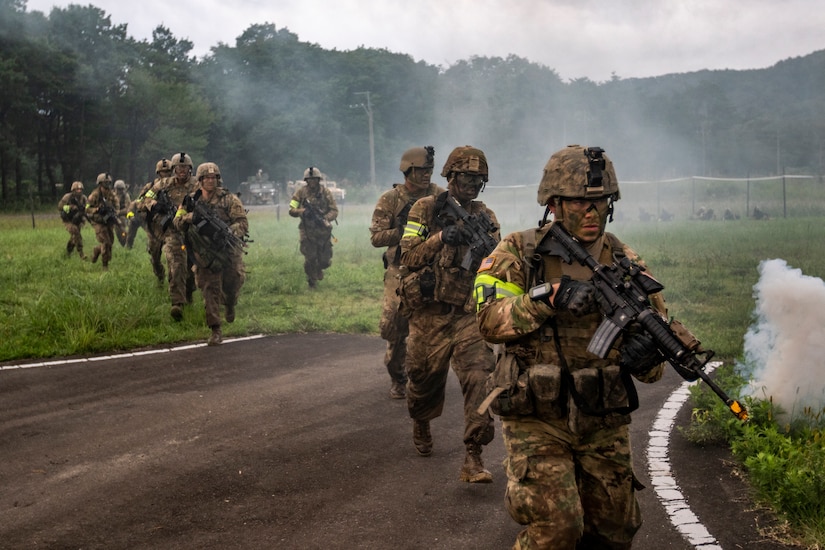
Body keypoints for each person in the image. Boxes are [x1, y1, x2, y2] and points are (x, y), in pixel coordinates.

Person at [473, 145, 667, 549]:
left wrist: (647, 357)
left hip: (603, 417)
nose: (591, 211)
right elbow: (488, 321)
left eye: (600, 201)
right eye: (580, 201)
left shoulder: (626, 262)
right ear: (555, 204)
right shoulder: (519, 252)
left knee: (616, 531)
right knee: (557, 531)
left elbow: (655, 354)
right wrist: (545, 299)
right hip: (536, 415)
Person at [399, 145, 499, 483]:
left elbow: (499, 264)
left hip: (469, 315)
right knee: (423, 379)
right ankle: (422, 420)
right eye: (467, 178)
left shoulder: (486, 217)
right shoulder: (425, 209)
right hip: (429, 314)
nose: (472, 185)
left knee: (480, 379)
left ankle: (473, 456)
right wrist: (442, 237)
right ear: (451, 177)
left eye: (478, 180)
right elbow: (408, 257)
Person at [369, 146, 446, 400]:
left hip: (430, 270)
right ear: (408, 170)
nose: (427, 175)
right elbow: (377, 237)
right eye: (422, 170)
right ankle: (397, 376)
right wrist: (402, 231)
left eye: (430, 170)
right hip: (399, 271)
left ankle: (422, 379)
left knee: (428, 328)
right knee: (393, 327)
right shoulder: (391, 199)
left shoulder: (439, 195)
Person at [174, 162, 248, 346]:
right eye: (206, 178)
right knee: (209, 290)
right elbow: (177, 222)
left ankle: (230, 303)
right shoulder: (189, 201)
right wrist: (190, 218)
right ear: (199, 180)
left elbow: (242, 222)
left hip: (228, 250)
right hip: (203, 253)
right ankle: (216, 330)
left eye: (213, 178)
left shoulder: (229, 199)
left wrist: (230, 232)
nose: (210, 181)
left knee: (234, 280)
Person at [140, 152, 198, 320]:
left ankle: (189, 293)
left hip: (192, 230)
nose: (181, 170)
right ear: (174, 169)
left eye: (185, 167)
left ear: (190, 169)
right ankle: (177, 303)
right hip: (172, 231)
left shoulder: (196, 185)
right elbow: (144, 199)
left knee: (191, 267)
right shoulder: (163, 184)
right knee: (176, 264)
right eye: (178, 167)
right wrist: (154, 205)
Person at [288, 166, 338, 288]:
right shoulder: (300, 193)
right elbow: (291, 209)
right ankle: (312, 279)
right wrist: (302, 211)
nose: (312, 182)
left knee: (325, 261)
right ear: (306, 181)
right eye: (310, 180)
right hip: (307, 230)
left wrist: (325, 218)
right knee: (310, 256)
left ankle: (318, 268)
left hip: (323, 230)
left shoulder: (326, 193)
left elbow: (334, 210)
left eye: (315, 179)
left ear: (319, 180)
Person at [128, 158, 173, 283]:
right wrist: (153, 205)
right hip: (154, 228)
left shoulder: (175, 186)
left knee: (174, 258)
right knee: (155, 258)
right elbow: (139, 203)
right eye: (163, 172)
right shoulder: (151, 187)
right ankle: (160, 277)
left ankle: (174, 283)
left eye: (168, 171)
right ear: (158, 173)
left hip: (172, 227)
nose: (166, 174)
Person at [85, 173, 120, 269]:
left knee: (111, 242)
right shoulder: (94, 195)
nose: (107, 185)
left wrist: (114, 213)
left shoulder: (112, 194)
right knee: (106, 242)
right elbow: (87, 208)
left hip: (108, 221)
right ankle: (105, 266)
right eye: (105, 183)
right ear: (100, 184)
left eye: (109, 183)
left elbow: (117, 206)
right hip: (98, 221)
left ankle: (97, 250)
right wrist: (95, 210)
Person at [57, 181, 88, 260]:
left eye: (80, 189)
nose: (79, 191)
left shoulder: (83, 198)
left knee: (74, 238)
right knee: (76, 233)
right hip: (68, 220)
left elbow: (87, 208)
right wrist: (70, 207)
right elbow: (60, 207)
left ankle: (68, 253)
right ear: (73, 190)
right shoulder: (67, 197)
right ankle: (81, 254)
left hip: (78, 220)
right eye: (77, 190)